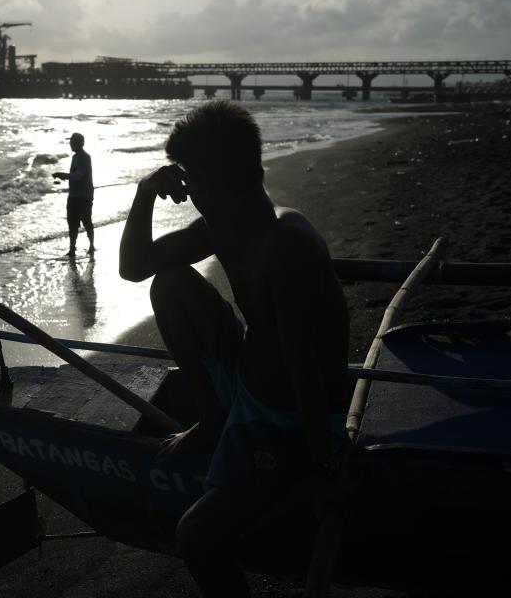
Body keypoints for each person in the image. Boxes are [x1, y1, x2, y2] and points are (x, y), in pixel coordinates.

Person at [119, 100, 350, 597]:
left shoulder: (285, 244)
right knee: (169, 283)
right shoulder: (222, 225)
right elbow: (135, 268)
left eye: (192, 180)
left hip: (286, 419)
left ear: (215, 178)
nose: (188, 191)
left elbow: (304, 367)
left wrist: (324, 464)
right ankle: (213, 418)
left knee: (196, 537)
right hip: (250, 378)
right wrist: (143, 195)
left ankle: (233, 432)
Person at [52, 132, 94, 256]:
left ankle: (90, 246)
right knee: (72, 222)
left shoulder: (84, 157)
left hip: (83, 196)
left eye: (72, 142)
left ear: (78, 143)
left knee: (85, 221)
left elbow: (78, 176)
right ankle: (72, 249)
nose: (70, 144)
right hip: (75, 195)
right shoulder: (76, 157)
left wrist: (63, 175)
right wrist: (64, 176)